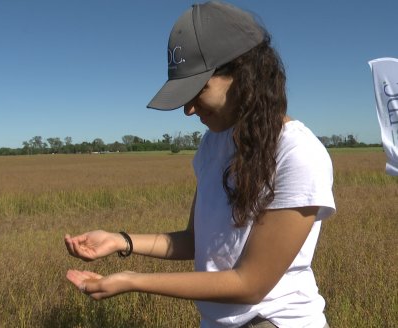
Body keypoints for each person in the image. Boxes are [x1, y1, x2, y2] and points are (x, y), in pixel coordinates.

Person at [65, 1, 335, 327]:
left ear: (244, 75)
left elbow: (249, 283)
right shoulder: (214, 144)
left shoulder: (298, 154)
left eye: (198, 89)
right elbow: (196, 241)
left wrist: (131, 280)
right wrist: (121, 240)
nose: (189, 110)